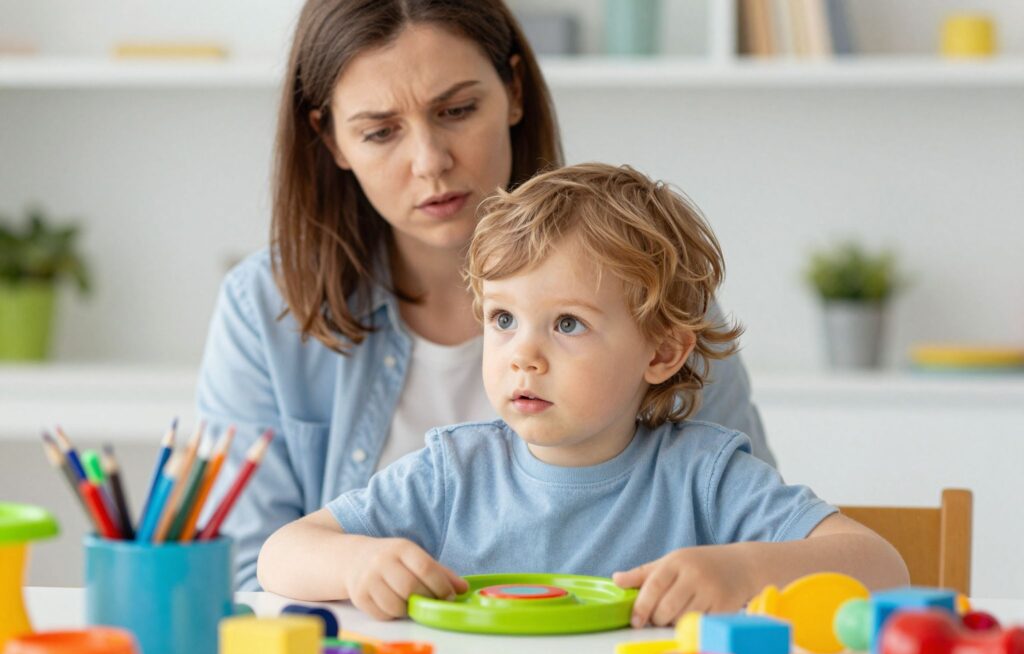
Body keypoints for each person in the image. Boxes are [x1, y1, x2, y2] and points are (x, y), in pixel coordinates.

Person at [197, 0, 774, 591]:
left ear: (514, 91)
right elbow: (244, 576)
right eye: (379, 131)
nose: (430, 162)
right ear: (331, 139)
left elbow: (764, 561)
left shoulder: (650, 289)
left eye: (458, 110)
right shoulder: (263, 305)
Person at [256, 163, 909, 626]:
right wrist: (357, 563)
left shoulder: (705, 476)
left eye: (568, 324)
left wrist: (740, 572)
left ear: (661, 351)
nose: (523, 355)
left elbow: (882, 566)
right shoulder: (452, 473)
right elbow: (279, 555)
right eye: (503, 320)